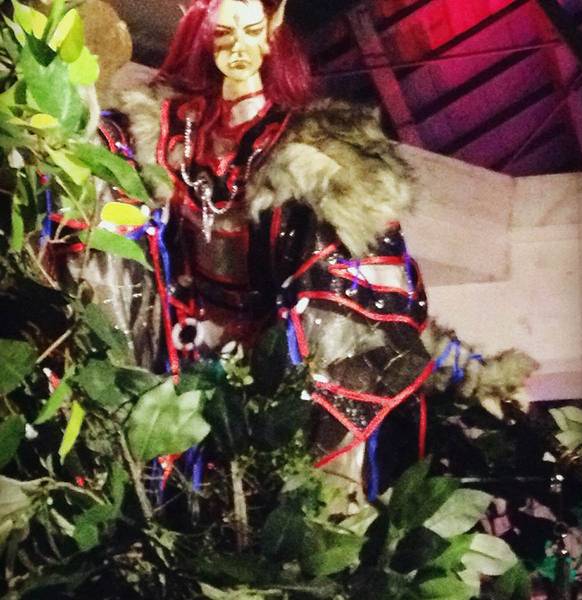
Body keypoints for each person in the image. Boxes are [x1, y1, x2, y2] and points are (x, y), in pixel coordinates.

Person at [104, 0, 433, 497]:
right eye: (224, 34)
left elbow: (364, 276)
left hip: (284, 358)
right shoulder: (164, 133)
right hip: (180, 349)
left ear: (271, 32)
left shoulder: (315, 148)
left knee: (303, 486)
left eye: (251, 30)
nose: (238, 47)